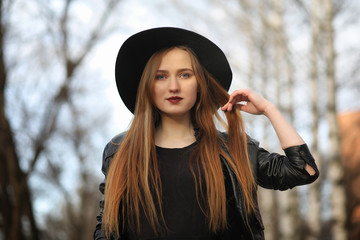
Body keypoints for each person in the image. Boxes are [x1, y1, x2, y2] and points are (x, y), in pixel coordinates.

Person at [94, 27, 319, 240]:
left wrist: (270, 110)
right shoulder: (120, 150)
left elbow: (304, 170)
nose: (173, 86)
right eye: (161, 76)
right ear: (147, 87)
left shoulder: (231, 149)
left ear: (199, 84)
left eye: (185, 75)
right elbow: (106, 227)